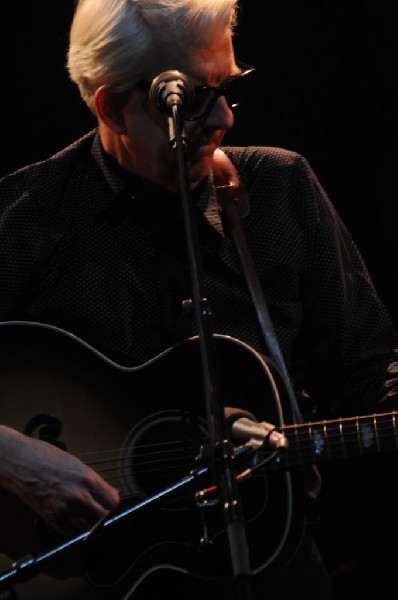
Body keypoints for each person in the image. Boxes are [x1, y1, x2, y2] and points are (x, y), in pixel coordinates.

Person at [0, 0, 397, 599]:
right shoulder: (27, 219)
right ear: (111, 107)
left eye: (228, 88)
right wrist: (14, 458)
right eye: (187, 100)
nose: (225, 120)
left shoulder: (281, 190)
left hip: (271, 573)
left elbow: (370, 367)